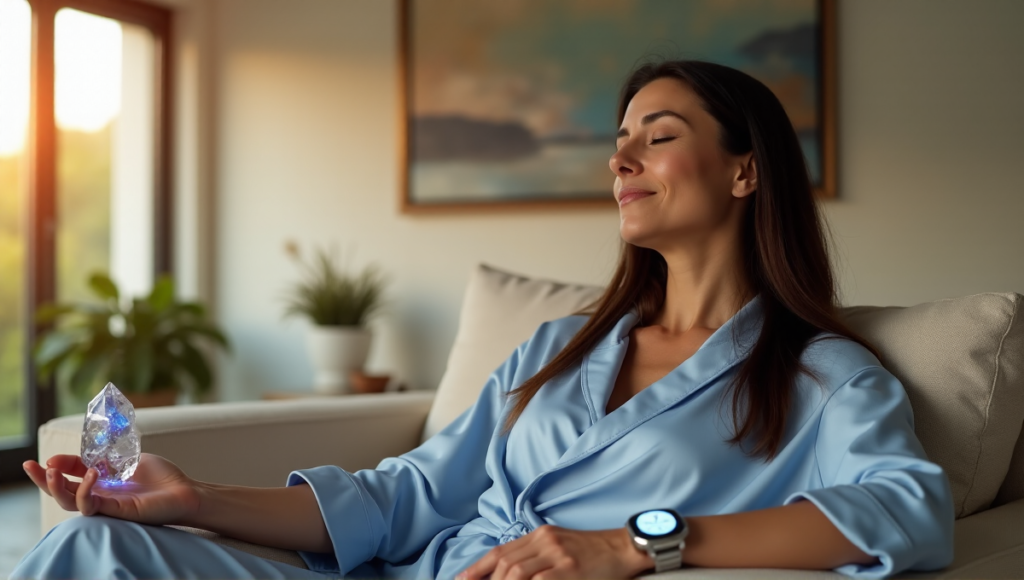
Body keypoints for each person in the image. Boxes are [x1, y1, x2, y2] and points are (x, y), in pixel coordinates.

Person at [13, 60, 954, 580]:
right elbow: (406, 497)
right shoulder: (560, 347)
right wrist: (196, 499)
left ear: (746, 171)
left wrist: (636, 543)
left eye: (658, 137)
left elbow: (910, 507)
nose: (621, 160)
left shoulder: (819, 376)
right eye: (619, 141)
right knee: (93, 544)